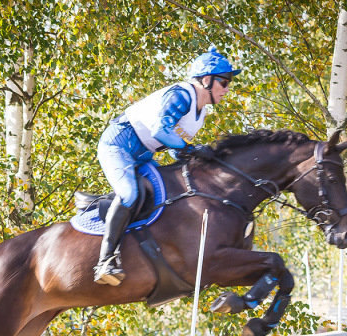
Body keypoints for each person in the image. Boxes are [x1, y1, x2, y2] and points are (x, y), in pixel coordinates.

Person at [93, 46, 241, 286]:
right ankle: (105, 261)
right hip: (118, 145)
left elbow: (174, 147)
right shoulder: (182, 95)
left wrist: (198, 161)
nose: (227, 89)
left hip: (143, 154)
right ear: (206, 80)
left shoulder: (200, 113)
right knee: (130, 193)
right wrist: (192, 150)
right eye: (224, 82)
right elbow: (160, 131)